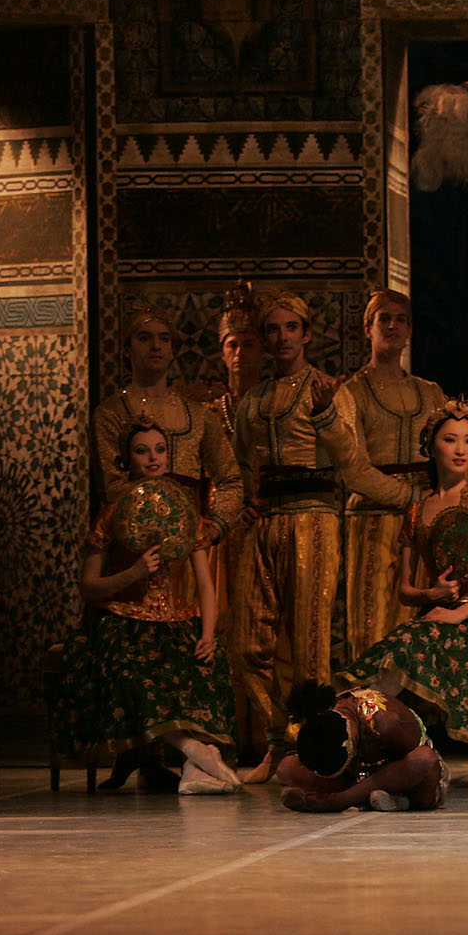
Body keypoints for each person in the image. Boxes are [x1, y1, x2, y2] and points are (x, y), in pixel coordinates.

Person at [231, 292, 416, 782]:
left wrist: (408, 498)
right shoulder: (254, 400)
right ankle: (283, 735)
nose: (282, 337)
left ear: (306, 334)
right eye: (273, 329)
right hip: (266, 520)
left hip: (314, 519)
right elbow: (239, 465)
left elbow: (352, 465)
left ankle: (311, 751)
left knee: (311, 646)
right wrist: (240, 506)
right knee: (246, 645)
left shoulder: (332, 392)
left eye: (291, 327)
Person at [54, 418, 240, 795]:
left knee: (206, 665)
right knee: (133, 674)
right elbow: (88, 586)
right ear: (126, 461)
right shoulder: (112, 513)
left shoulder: (184, 512)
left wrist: (206, 632)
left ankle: (192, 767)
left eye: (159, 450)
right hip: (120, 620)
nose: (153, 458)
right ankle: (194, 750)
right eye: (142, 451)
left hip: (174, 618)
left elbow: (205, 583)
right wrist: (133, 573)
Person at [339, 399, 468, 747]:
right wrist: (430, 595)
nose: (461, 449)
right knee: (389, 650)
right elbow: (404, 590)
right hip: (434, 613)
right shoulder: (418, 511)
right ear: (432, 447)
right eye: (451, 440)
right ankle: (363, 735)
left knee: (407, 648)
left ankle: (355, 733)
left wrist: (458, 614)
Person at [90, 305, 242, 612]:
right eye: (145, 338)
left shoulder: (199, 416)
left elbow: (231, 478)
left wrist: (213, 527)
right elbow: (113, 486)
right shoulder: (110, 413)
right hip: (132, 549)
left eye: (164, 339)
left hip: (188, 553)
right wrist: (157, 521)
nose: (156, 346)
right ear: (128, 350)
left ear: (173, 350)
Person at [339, 289, 447, 660]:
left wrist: (442, 500)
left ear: (411, 329)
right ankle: (369, 708)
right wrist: (408, 497)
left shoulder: (429, 392)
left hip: (422, 521)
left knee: (417, 624)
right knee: (370, 622)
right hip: (371, 517)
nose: (392, 325)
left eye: (400, 319)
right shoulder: (352, 391)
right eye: (383, 318)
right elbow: (353, 467)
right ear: (367, 329)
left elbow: (451, 449)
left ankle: (412, 712)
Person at [204, 281, 268, 759]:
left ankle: (267, 735)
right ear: (221, 353)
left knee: (264, 629)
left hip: (267, 527)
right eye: (232, 345)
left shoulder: (273, 406)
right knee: (222, 625)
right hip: (222, 533)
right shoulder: (209, 413)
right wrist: (227, 508)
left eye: (248, 343)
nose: (240, 353)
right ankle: (225, 734)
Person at [277, 681, 446, 812]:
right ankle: (368, 799)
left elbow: (421, 763)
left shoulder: (385, 723)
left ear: (354, 738)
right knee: (286, 767)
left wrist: (346, 796)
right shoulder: (327, 713)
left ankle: (339, 800)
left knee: (424, 759)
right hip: (357, 776)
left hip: (401, 777)